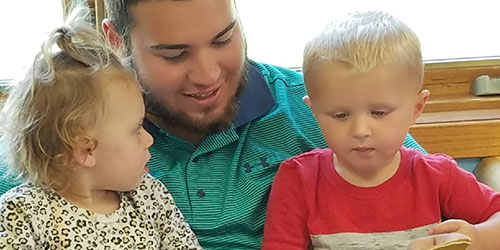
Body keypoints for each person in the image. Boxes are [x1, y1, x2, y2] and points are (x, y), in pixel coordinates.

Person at [0, 1, 424, 248]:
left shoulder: (331, 112)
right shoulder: (64, 136)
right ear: (116, 41)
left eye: (223, 40)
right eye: (174, 53)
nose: (207, 75)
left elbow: (428, 188)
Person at [261, 11, 500, 250]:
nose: (360, 130)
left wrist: (477, 238)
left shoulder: (437, 175)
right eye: (340, 115)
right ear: (314, 112)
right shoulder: (298, 180)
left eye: (379, 113)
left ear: (416, 109)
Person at [0, 7, 201, 249]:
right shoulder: (22, 214)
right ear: (86, 151)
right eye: (137, 128)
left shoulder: (150, 195)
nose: (149, 139)